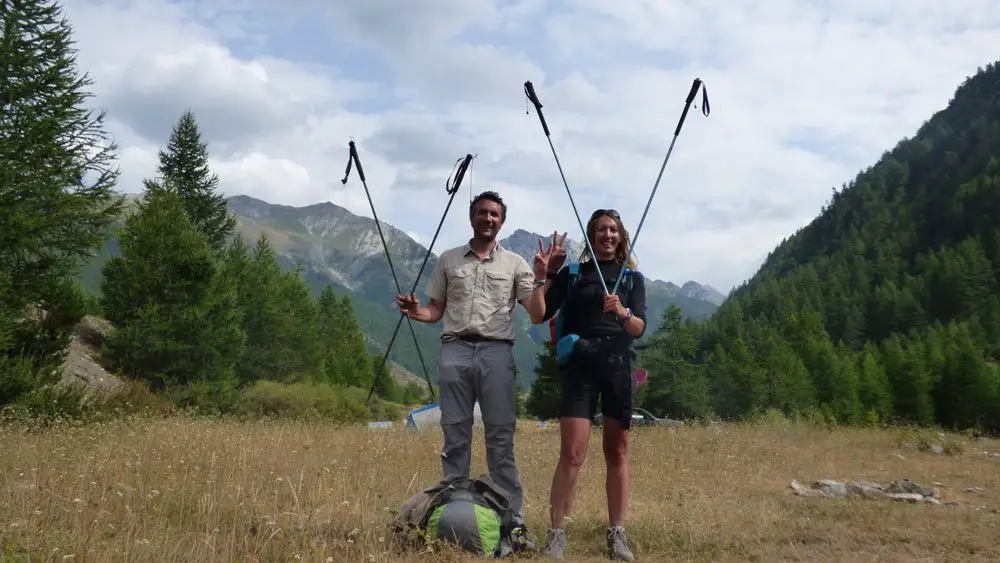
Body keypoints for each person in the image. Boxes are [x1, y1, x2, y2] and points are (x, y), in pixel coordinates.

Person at [396, 190, 550, 549]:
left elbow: (538, 314)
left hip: (497, 353)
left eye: (494, 214)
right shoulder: (448, 260)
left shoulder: (515, 263)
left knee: (500, 441)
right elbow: (435, 310)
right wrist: (416, 311)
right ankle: (449, 521)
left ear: (502, 221)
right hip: (455, 349)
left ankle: (514, 525)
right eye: (482, 212)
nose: (488, 218)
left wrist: (542, 278)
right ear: (471, 217)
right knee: (455, 439)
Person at [534, 209, 646, 561]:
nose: (607, 235)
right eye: (601, 230)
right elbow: (539, 314)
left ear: (621, 235)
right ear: (592, 235)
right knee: (572, 454)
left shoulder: (631, 279)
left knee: (617, 452)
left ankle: (617, 534)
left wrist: (622, 312)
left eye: (613, 230)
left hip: (617, 368)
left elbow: (639, 328)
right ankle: (556, 534)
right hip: (580, 369)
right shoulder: (572, 274)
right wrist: (545, 276)